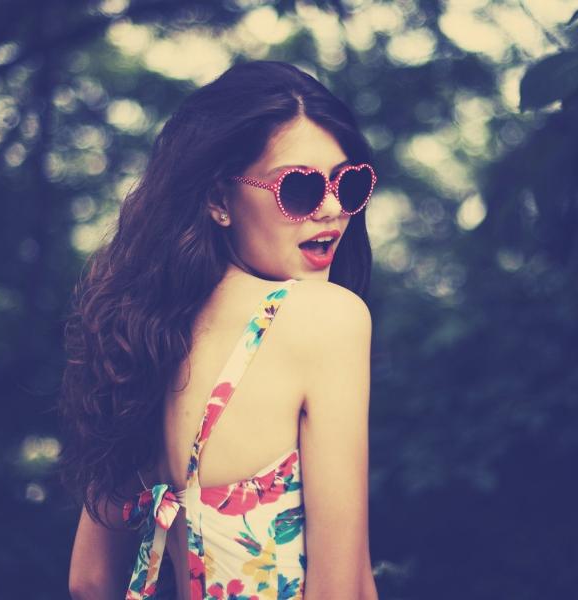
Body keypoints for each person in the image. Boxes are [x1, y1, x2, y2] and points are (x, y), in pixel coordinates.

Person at [58, 60, 379, 600]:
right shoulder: (327, 318)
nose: (331, 209)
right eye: (298, 188)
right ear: (217, 200)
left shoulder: (143, 339)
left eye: (349, 184)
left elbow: (89, 581)